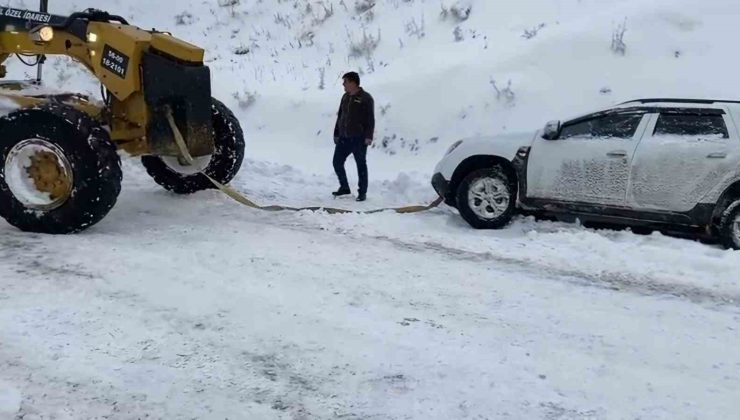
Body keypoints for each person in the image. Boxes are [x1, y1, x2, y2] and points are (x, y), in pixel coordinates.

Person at [332, 71, 375, 202]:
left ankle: (362, 192)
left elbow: (370, 119)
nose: (343, 85)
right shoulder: (345, 97)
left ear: (353, 82)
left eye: (345, 82)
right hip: (344, 137)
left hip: (359, 138)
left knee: (361, 165)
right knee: (337, 162)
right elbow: (340, 116)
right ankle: (344, 187)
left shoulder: (366, 98)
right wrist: (336, 133)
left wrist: (368, 136)